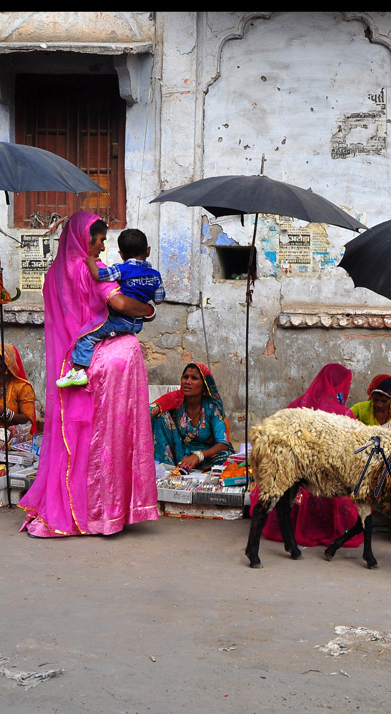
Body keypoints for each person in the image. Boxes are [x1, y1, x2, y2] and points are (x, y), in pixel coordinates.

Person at [19, 211, 159, 538]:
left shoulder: (54, 274)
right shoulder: (89, 271)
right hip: (101, 361)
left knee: (74, 443)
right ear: (85, 239)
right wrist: (148, 310)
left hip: (69, 364)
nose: (102, 247)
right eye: (99, 240)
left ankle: (69, 508)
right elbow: (120, 303)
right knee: (102, 440)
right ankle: (101, 513)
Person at [248, 363, 364, 548]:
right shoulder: (345, 417)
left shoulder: (298, 407)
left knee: (281, 492)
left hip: (295, 474)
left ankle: (286, 537)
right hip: (326, 479)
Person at [57, 227, 164, 388]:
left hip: (118, 320)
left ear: (121, 254)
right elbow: (159, 298)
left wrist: (91, 262)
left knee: (87, 337)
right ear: (148, 251)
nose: (103, 247)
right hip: (136, 323)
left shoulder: (121, 270)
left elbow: (100, 276)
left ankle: (78, 370)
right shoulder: (155, 275)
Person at [151, 363, 233, 471]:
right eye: (185, 377)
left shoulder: (211, 407)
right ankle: (166, 469)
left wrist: (198, 456)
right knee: (160, 416)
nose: (188, 382)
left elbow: (223, 443)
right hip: (179, 454)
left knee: (226, 457)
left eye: (194, 378)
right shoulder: (176, 400)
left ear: (204, 385)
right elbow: (151, 409)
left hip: (205, 458)